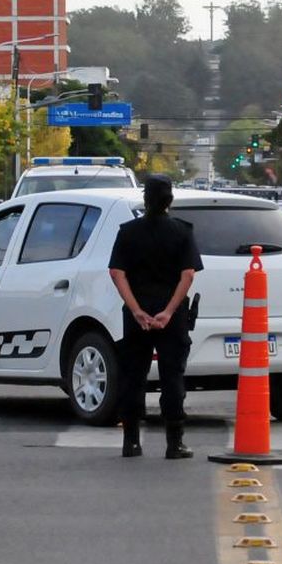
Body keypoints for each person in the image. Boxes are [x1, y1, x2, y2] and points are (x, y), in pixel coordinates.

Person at [108, 174, 203, 460]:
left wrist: (136, 309)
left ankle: (132, 442)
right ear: (169, 201)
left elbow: (116, 272)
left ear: (145, 200)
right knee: (172, 377)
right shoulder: (182, 231)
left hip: (137, 316)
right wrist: (169, 311)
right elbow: (188, 275)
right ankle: (174, 443)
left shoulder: (128, 232)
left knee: (133, 376)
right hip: (170, 316)